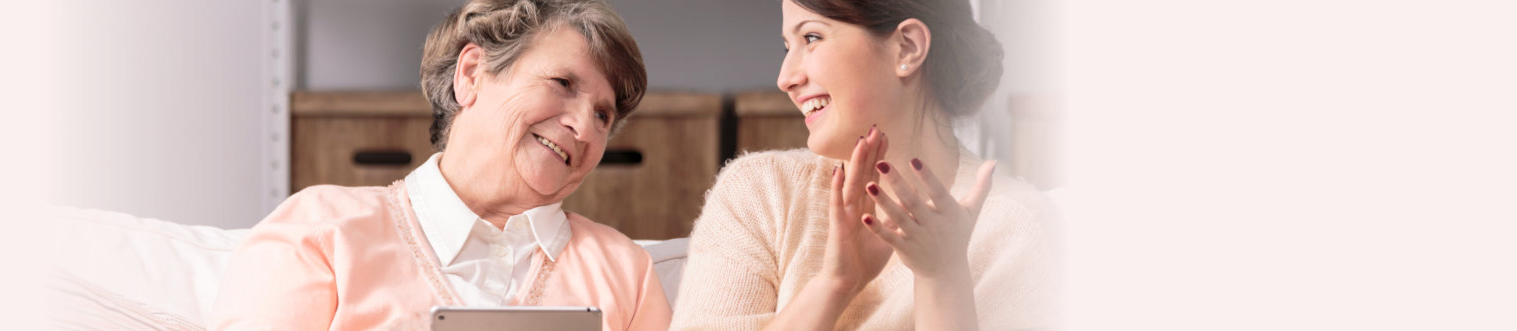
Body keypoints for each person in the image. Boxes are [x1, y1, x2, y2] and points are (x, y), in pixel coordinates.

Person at [208, 0, 670, 330]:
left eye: (603, 115)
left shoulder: (627, 273)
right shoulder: (321, 230)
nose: (585, 128)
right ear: (471, 74)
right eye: (563, 83)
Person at [668, 0, 1057, 330]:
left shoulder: (1017, 229)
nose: (785, 78)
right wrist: (833, 284)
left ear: (906, 48)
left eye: (811, 37)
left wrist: (942, 278)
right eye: (787, 45)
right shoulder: (760, 193)